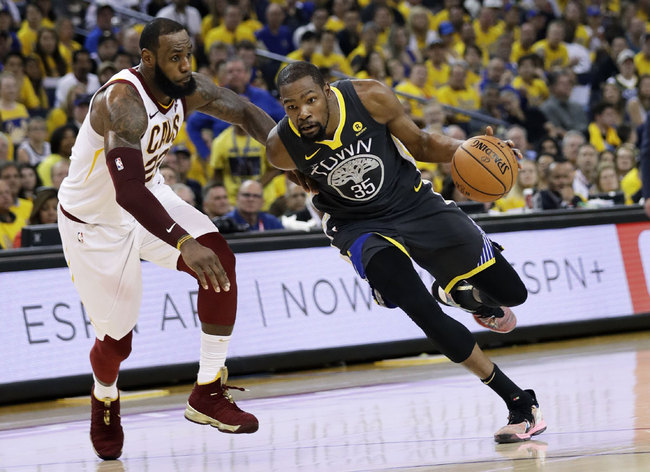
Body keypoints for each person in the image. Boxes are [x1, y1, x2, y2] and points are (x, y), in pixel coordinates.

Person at [266, 62, 546, 444]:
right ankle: (519, 402)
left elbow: (422, 144)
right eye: (291, 106)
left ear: (328, 91)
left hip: (414, 204)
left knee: (513, 294)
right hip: (358, 227)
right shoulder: (282, 148)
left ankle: (453, 290)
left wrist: (470, 150)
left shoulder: (370, 97)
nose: (303, 113)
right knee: (421, 312)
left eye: (310, 100)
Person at [56, 18, 276, 461]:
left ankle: (208, 390)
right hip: (95, 223)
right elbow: (127, 191)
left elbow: (246, 112)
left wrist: (296, 161)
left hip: (149, 195)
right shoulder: (122, 101)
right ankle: (104, 393)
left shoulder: (188, 86)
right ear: (148, 59)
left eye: (188, 54)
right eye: (174, 57)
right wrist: (182, 242)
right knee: (117, 344)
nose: (184, 65)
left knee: (219, 259)